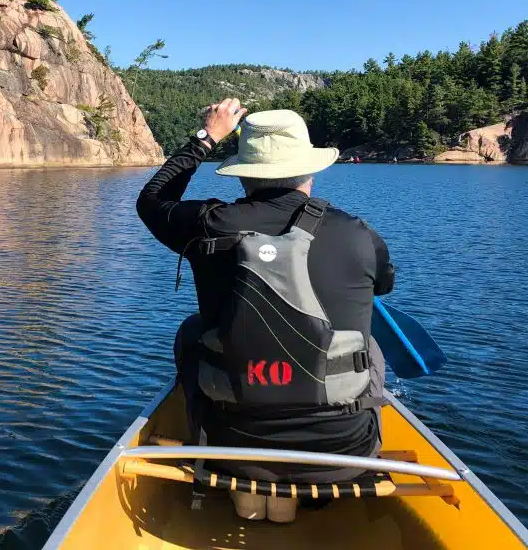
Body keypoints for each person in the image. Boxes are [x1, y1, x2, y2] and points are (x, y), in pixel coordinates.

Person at [136, 99, 395, 523]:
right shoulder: (360, 234)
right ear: (310, 170)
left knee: (192, 331)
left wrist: (208, 136)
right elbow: (384, 284)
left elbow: (151, 200)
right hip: (346, 453)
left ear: (245, 174)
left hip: (230, 447)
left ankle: (228, 463)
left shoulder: (209, 223)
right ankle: (311, 482)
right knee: (369, 346)